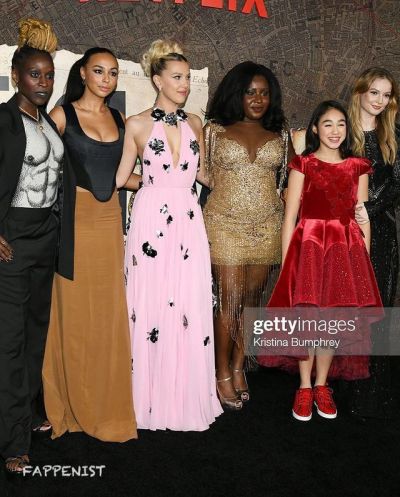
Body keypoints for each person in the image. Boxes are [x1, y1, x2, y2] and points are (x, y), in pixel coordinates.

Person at [116, 39, 222, 431]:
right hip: (151, 222)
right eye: (177, 77)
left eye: (188, 78)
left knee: (187, 303)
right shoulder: (136, 124)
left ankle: (183, 397)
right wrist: (153, 185)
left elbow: (203, 174)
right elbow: (119, 178)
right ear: (158, 80)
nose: (185, 84)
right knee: (151, 302)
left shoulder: (195, 123)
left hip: (188, 220)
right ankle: (146, 399)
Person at [260, 100, 382, 421]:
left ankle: (322, 385)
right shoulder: (303, 164)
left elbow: (362, 218)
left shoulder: (358, 167)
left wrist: (363, 261)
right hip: (309, 250)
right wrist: (288, 262)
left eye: (341, 124)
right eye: (328, 124)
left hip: (344, 250)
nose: (335, 130)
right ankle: (303, 387)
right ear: (315, 128)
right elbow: (290, 218)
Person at [42, 47, 137, 441]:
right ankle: (66, 402)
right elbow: (35, 166)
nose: (106, 79)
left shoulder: (120, 119)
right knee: (73, 313)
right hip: (74, 222)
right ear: (82, 73)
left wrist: (167, 183)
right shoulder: (62, 115)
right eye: (98, 71)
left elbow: (122, 177)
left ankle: (104, 404)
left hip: (109, 221)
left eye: (113, 73)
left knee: (107, 314)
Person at [0, 18, 74, 473]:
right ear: (16, 77)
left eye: (48, 75)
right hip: (10, 242)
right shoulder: (3, 121)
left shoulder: (49, 123)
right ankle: (13, 445)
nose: (43, 83)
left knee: (34, 338)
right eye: (34, 75)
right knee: (9, 343)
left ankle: (23, 417)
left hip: (45, 239)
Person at [203, 62, 292, 409]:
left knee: (252, 302)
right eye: (250, 92)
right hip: (224, 224)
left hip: (267, 225)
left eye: (264, 93)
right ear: (236, 94)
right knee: (229, 300)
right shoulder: (213, 131)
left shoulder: (281, 134)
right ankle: (221, 372)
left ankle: (240, 366)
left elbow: (287, 181)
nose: (257, 99)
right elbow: (201, 174)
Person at [348, 67, 400, 419]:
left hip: (380, 231)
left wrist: (369, 208)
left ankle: (374, 389)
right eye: (375, 92)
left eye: (386, 94)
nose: (380, 100)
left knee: (377, 304)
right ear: (361, 93)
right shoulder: (340, 130)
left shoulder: (393, 134)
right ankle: (342, 384)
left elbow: (397, 183)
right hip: (343, 232)